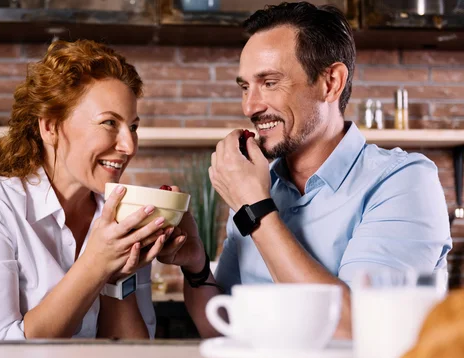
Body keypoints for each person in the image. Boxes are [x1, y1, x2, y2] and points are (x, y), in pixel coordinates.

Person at [160, 2, 452, 339]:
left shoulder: (403, 181)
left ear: (330, 83)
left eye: (269, 83)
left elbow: (359, 331)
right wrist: (196, 265)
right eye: (245, 87)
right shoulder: (257, 184)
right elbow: (222, 328)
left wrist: (255, 209)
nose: (250, 106)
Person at [0, 40, 184, 340]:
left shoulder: (121, 218)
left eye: (133, 127)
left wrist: (116, 276)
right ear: (50, 127)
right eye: (108, 123)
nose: (128, 146)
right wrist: (96, 265)